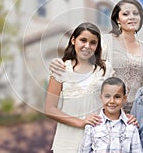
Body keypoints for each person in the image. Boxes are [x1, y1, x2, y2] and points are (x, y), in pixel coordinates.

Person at [49, 0, 143, 113]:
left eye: (136, 14)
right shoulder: (105, 42)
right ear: (117, 19)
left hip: (139, 110)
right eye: (126, 14)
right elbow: (82, 59)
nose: (131, 17)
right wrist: (57, 63)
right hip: (108, 111)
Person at [44, 22, 115, 153]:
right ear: (73, 40)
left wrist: (126, 120)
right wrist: (81, 122)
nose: (87, 46)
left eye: (93, 43)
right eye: (83, 40)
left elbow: (113, 103)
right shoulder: (60, 69)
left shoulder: (105, 69)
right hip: (67, 141)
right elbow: (50, 109)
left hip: (98, 139)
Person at [78, 77, 143, 153]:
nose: (112, 101)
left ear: (124, 98)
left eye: (117, 97)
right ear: (101, 98)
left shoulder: (131, 126)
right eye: (107, 96)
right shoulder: (93, 125)